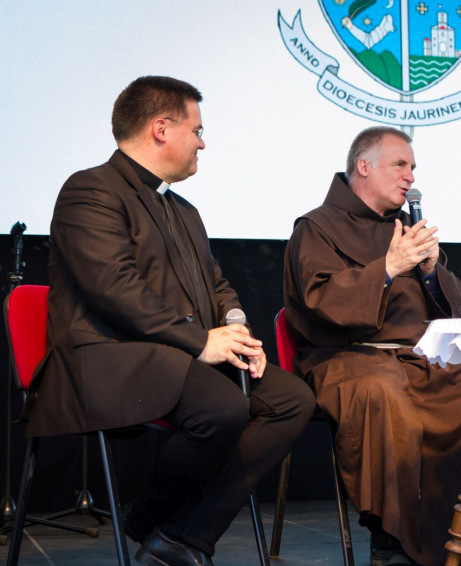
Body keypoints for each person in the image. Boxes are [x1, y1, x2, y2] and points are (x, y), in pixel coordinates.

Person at [25, 76, 315, 566]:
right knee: (222, 408)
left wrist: (236, 328)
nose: (203, 143)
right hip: (106, 358)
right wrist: (201, 341)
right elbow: (113, 287)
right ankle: (147, 519)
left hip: (171, 353)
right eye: (197, 130)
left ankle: (184, 536)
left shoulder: (184, 210)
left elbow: (217, 285)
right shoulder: (89, 189)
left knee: (293, 400)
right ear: (161, 128)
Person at [283, 126, 461, 566]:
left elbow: (452, 306)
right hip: (345, 357)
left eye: (412, 167)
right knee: (381, 395)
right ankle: (390, 534)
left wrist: (431, 271)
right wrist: (388, 267)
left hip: (415, 357)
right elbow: (320, 302)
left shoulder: (407, 228)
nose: (410, 177)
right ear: (363, 166)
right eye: (400, 165)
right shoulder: (316, 227)